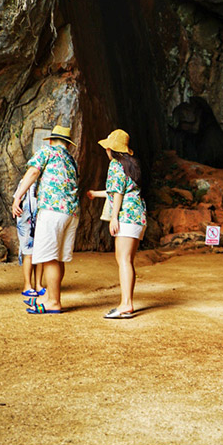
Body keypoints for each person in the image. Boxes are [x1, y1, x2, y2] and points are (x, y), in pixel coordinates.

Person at [11, 124, 79, 314]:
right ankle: (50, 296)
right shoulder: (70, 159)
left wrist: (18, 196)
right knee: (58, 258)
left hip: (52, 210)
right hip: (71, 213)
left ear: (50, 140)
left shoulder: (47, 151)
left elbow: (33, 172)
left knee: (49, 258)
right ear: (68, 143)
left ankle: (54, 302)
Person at [87, 129, 146, 320]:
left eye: (107, 148)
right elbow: (118, 189)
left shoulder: (115, 165)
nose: (106, 151)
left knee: (123, 260)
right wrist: (96, 194)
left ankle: (126, 304)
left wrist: (114, 218)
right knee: (127, 259)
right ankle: (126, 302)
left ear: (112, 149)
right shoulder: (131, 165)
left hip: (126, 217)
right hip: (138, 216)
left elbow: (118, 193)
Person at [13, 182, 44, 300]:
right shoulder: (24, 181)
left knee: (40, 253)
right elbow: (17, 200)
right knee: (29, 253)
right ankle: (27, 285)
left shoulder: (45, 179)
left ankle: (38, 284)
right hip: (26, 221)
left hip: (40, 219)